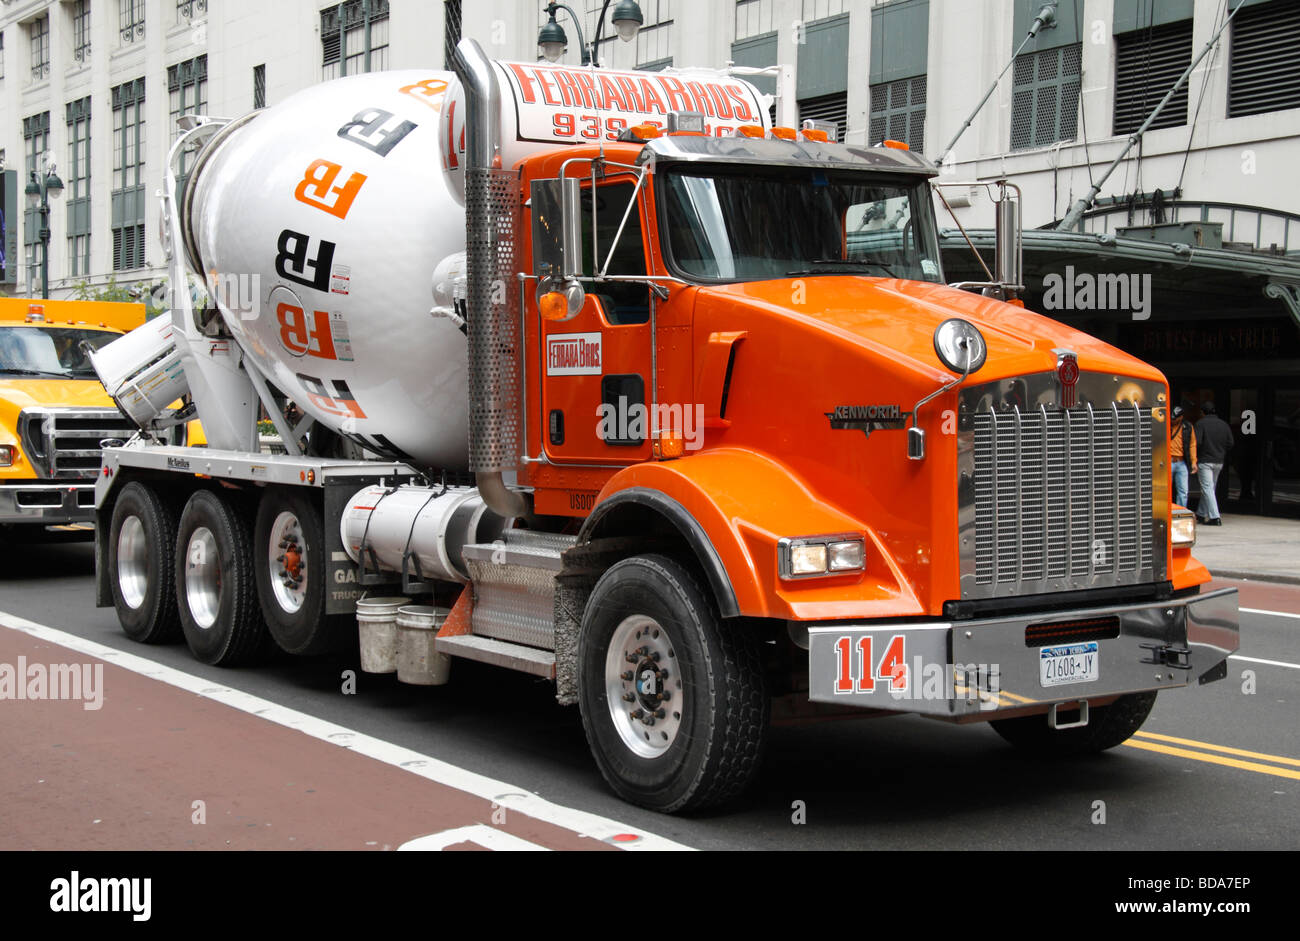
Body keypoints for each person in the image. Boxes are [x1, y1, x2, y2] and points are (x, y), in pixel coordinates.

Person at [1195, 400, 1234, 526]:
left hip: (1205, 460)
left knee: (1207, 488)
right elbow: (1230, 443)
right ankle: (1201, 513)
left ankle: (1215, 517)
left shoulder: (1201, 424)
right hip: (1219, 460)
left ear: (1203, 412)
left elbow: (1198, 442)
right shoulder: (1224, 424)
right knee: (1209, 488)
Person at [1170, 402, 1197, 508]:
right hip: (1168, 460)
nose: (1173, 420)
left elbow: (1192, 444)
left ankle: (1180, 512)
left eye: (1175, 418)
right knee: (1165, 491)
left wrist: (1193, 461)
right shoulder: (1165, 425)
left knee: (1183, 491)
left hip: (1181, 461)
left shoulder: (1187, 427)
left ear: (1181, 417)